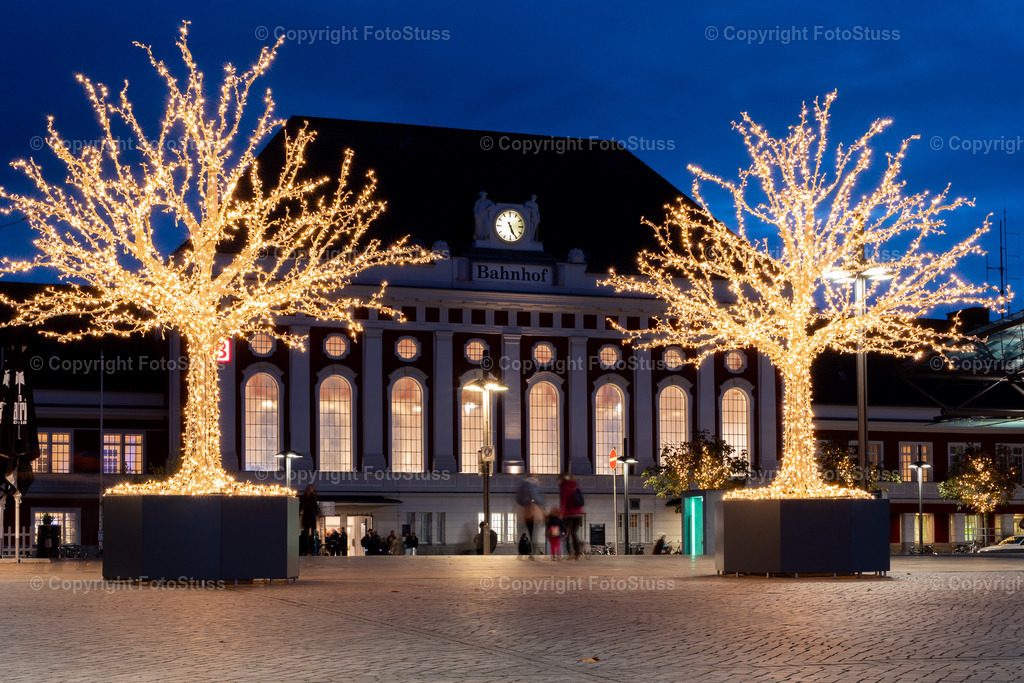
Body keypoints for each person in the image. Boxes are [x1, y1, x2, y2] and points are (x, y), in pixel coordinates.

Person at [515, 475, 545, 557]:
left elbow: (518, 498)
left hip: (523, 511)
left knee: (522, 532)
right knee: (533, 534)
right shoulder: (535, 484)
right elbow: (537, 497)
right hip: (533, 512)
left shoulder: (523, 484)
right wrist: (541, 507)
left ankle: (520, 552)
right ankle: (532, 552)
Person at [558, 473, 585, 559]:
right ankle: (577, 553)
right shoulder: (575, 486)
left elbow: (563, 502)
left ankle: (570, 554)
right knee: (574, 533)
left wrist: (561, 514)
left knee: (567, 534)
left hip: (570, 514)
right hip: (578, 514)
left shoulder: (564, 487)